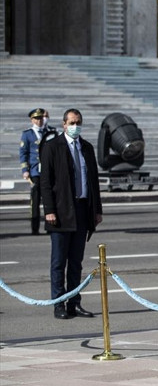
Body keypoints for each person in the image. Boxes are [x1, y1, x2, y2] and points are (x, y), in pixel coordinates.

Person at [39, 108, 103, 320]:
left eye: (79, 122)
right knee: (59, 262)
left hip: (83, 210)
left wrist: (97, 210)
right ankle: (59, 304)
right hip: (60, 211)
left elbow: (93, 182)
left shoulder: (86, 147)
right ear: (64, 124)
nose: (76, 126)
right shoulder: (52, 147)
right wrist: (48, 210)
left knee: (76, 262)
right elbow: (46, 183)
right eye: (72, 122)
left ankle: (74, 302)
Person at [19, 108, 57, 235]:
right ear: (32, 120)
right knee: (35, 201)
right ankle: (34, 227)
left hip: (48, 171)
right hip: (35, 171)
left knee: (49, 199)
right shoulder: (27, 134)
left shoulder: (49, 132)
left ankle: (49, 225)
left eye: (40, 118)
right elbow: (23, 153)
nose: (39, 121)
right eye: (36, 118)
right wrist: (25, 170)